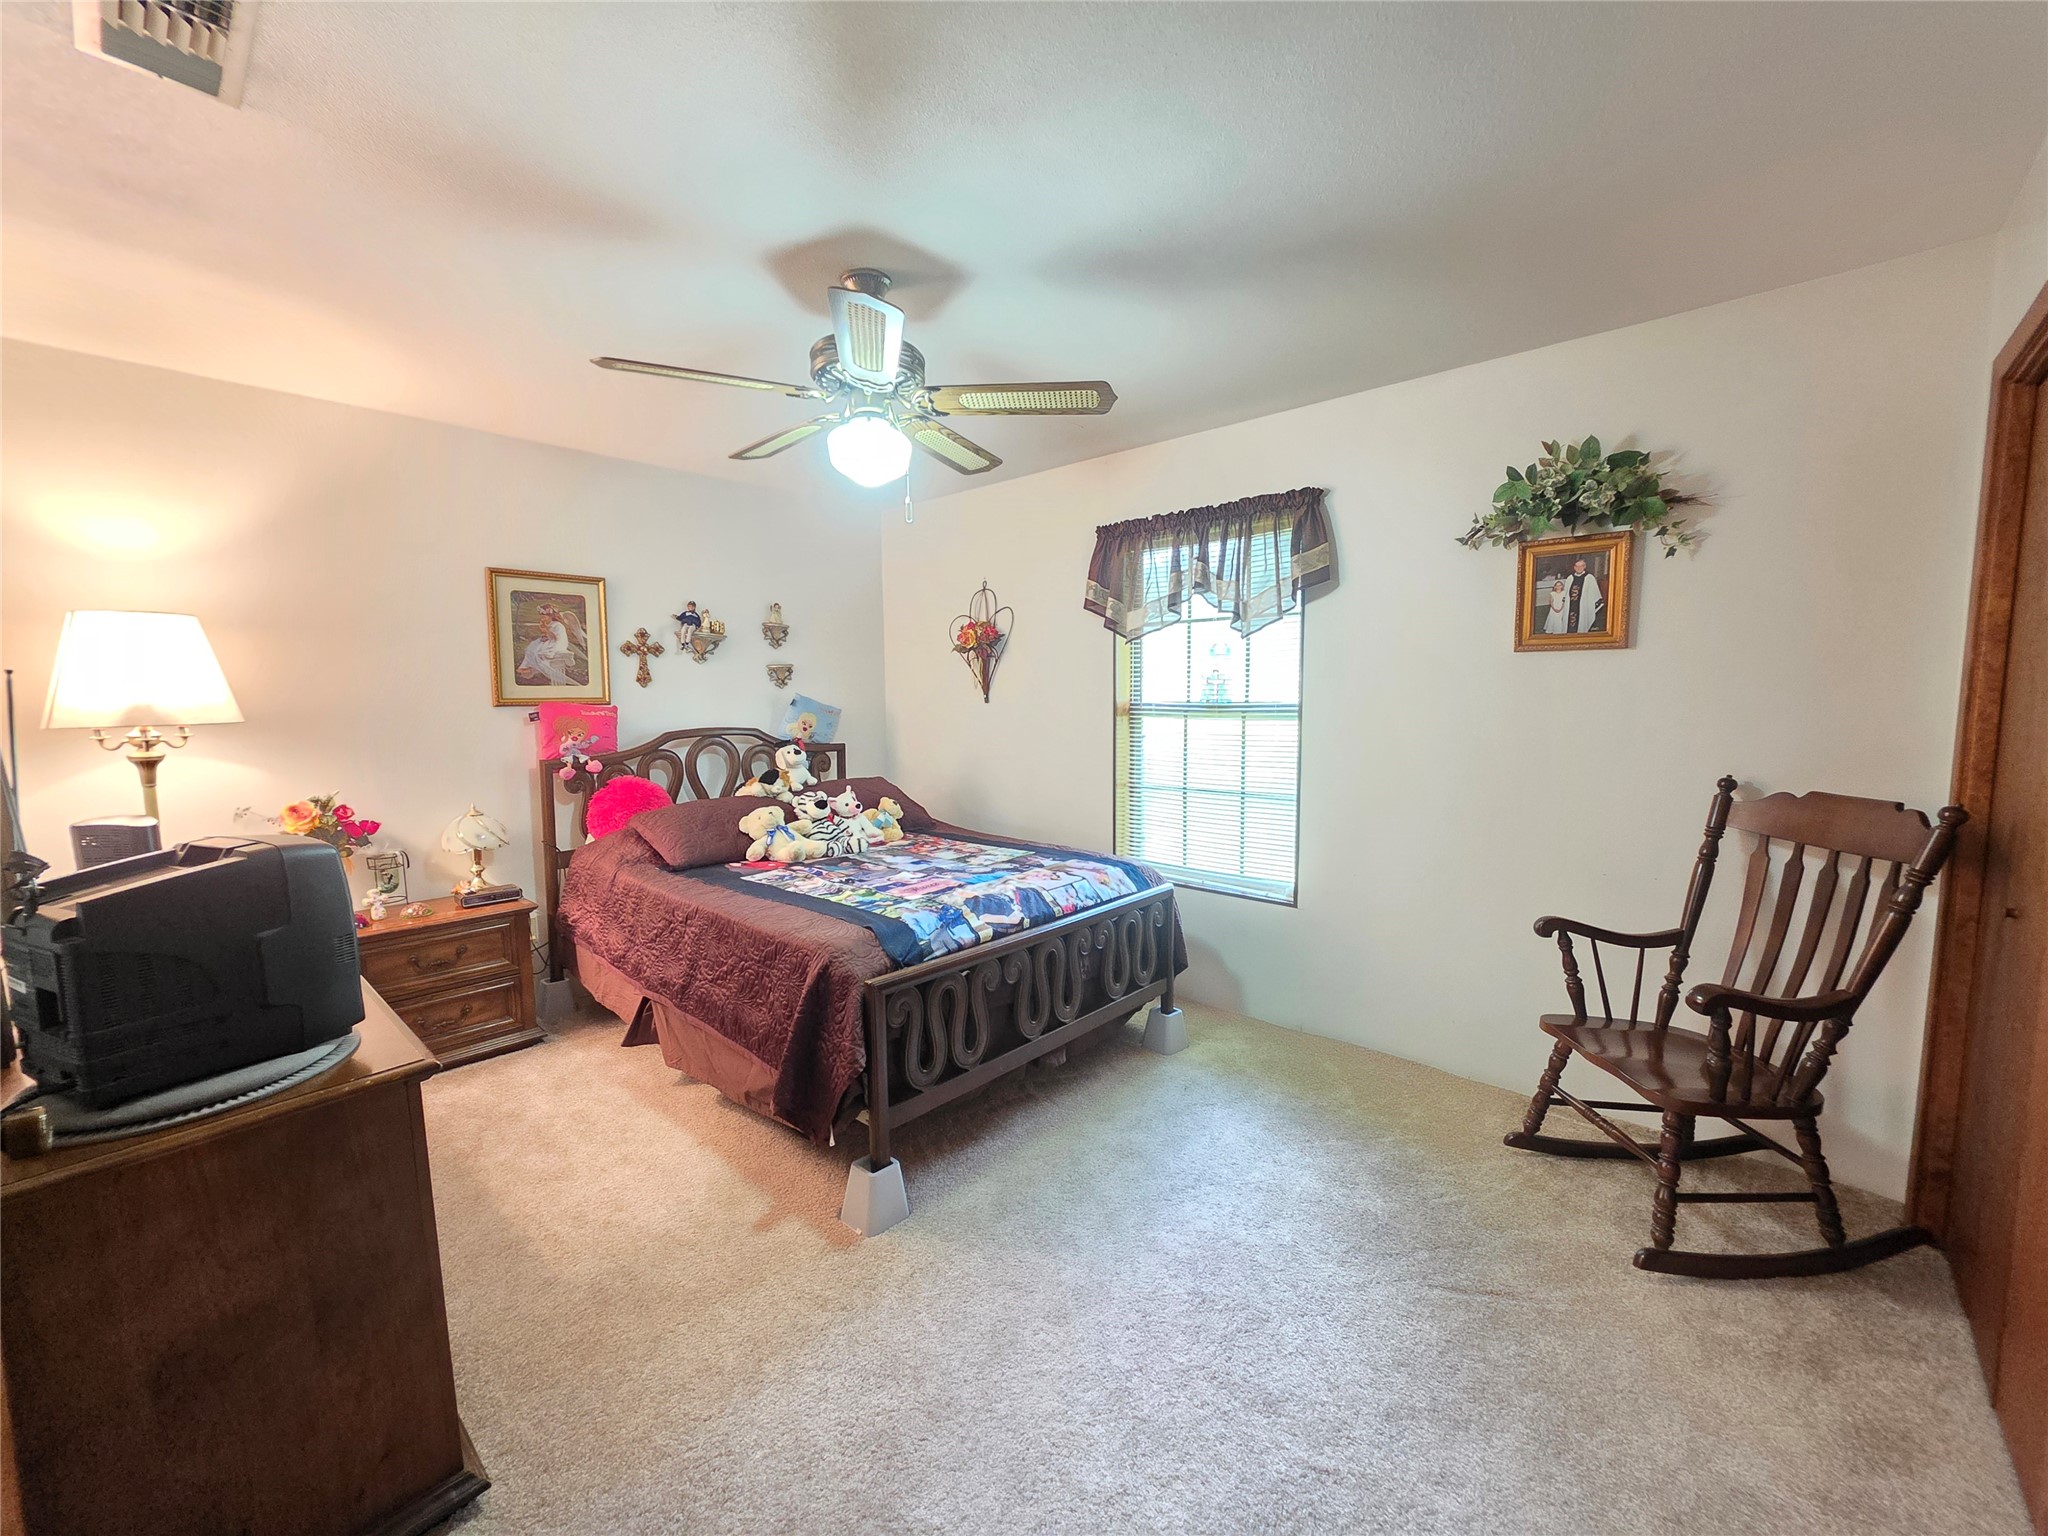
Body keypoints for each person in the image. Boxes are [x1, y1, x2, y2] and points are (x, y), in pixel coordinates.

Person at [1562, 557, 1605, 634]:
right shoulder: (1570, 578)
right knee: (1569, 625)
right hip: (1570, 605)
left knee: (1581, 624)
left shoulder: (1589, 578)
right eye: (1577, 566)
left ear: (1584, 567)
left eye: (1581, 566)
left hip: (1583, 606)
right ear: (1574, 567)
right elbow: (1565, 592)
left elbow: (1594, 593)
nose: (1579, 568)